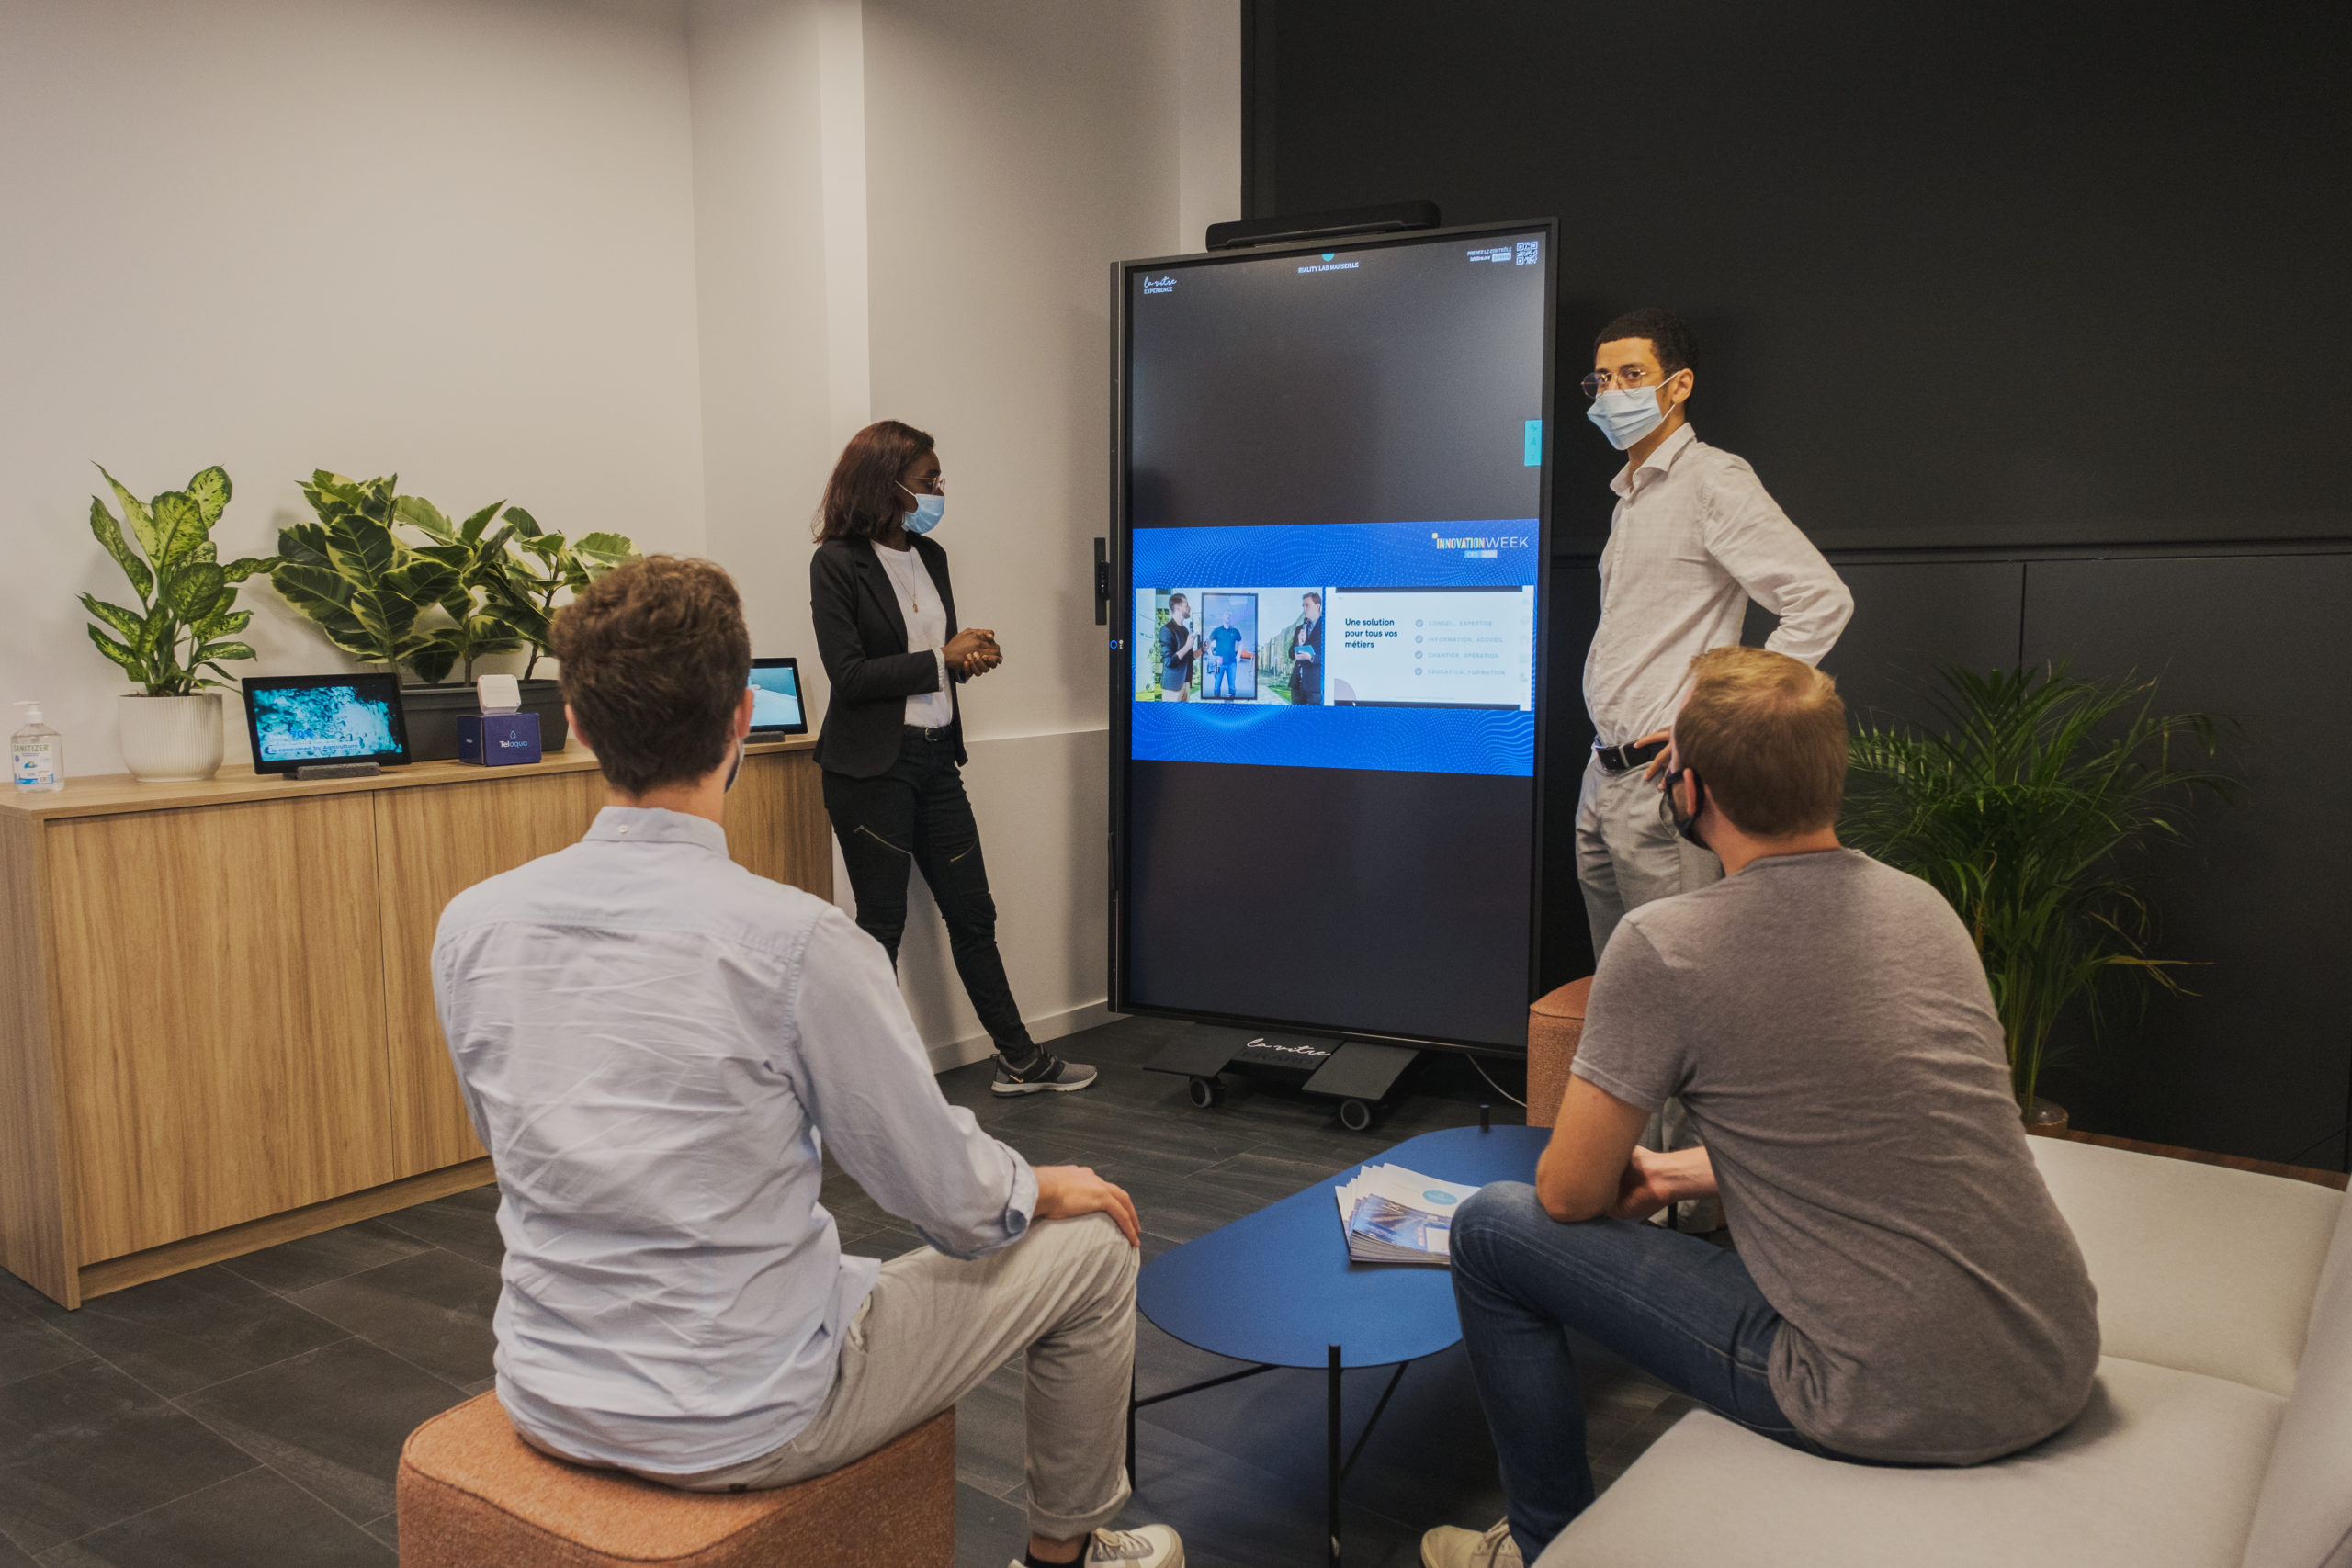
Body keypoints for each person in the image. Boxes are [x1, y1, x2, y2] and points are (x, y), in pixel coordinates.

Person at [434, 556, 1182, 1568]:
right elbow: (951, 1204)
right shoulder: (796, 943)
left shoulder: (473, 924)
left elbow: (511, 1142)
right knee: (1092, 1244)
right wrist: (1041, 1183)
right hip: (744, 1416)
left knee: (844, 1266)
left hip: (546, 1388)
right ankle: (1070, 1556)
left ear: (575, 724)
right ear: (742, 718)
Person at [1422, 648, 2098, 1568]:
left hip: (1876, 1394)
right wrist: (1676, 1174)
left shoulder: (1666, 943)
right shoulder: (1924, 908)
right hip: (2053, 1356)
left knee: (1491, 1229)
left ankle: (1542, 1547)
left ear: (1689, 787)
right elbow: (1880, 1132)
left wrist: (1626, 1176)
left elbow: (1568, 1195)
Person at [1576, 307, 1853, 1222]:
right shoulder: (1629, 495)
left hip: (1663, 788)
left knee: (1687, 1015)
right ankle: (1639, 1213)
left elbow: (1819, 601)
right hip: (1601, 777)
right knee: (1630, 1016)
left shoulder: (1711, 481)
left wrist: (1713, 724)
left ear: (1678, 384)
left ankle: (1691, 1230)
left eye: (1630, 375)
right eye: (1601, 379)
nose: (1611, 393)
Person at [809, 420, 1094, 1096]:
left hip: (938, 761)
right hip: (871, 770)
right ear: (887, 483)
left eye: (938, 477)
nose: (938, 489)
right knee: (881, 927)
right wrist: (941, 657)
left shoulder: (930, 555)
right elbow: (849, 675)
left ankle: (1019, 1059)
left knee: (974, 915)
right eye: (928, 479)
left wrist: (966, 660)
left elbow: (929, 659)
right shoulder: (836, 563)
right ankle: (871, 1083)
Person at [1159, 592, 1198, 700]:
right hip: (1172, 687)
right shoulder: (1166, 630)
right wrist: (1187, 646)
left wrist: (1202, 650)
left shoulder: (1185, 631)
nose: (1189, 608)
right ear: (1178, 608)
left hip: (1186, 684)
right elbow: (1169, 662)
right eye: (1187, 605)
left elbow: (1190, 657)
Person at [1286, 592, 1324, 705]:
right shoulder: (1300, 629)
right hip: (1297, 683)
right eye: (1303, 606)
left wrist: (1311, 657)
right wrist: (1299, 643)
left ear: (1317, 606)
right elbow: (1291, 653)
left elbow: (1330, 657)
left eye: (1307, 605)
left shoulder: (1326, 627)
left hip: (1315, 685)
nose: (1304, 609)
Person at [1206, 610, 1242, 699]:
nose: (1228, 616)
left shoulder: (1235, 631)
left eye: (1230, 615)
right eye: (1226, 614)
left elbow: (1241, 643)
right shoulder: (1217, 631)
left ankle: (1231, 703)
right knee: (1216, 686)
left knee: (1232, 687)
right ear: (1223, 617)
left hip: (1232, 662)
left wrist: (1239, 655)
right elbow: (1207, 643)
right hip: (1218, 662)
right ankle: (1217, 702)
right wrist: (1211, 656)